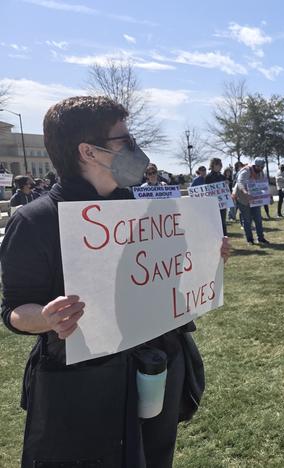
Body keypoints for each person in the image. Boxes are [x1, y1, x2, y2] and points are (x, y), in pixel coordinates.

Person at [0, 95, 230, 467]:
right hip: (83, 385)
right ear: (88, 152)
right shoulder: (35, 221)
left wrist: (206, 258)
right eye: (124, 140)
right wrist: (46, 317)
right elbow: (13, 310)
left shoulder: (144, 210)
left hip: (155, 367)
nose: (135, 148)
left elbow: (168, 274)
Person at [234, 157, 269, 245]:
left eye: (262, 167)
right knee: (247, 220)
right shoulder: (245, 171)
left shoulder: (261, 172)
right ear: (255, 165)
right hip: (243, 198)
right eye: (259, 167)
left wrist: (268, 196)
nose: (261, 169)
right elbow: (240, 183)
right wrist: (246, 193)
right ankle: (249, 240)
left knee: (258, 219)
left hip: (255, 199)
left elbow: (263, 186)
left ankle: (261, 238)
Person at [205, 157, 229, 236]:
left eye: (220, 164)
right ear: (213, 165)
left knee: (223, 222)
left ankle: (224, 239)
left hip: (222, 203)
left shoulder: (222, 177)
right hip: (213, 203)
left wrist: (226, 184)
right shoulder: (208, 177)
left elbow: (225, 190)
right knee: (215, 222)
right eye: (217, 164)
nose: (219, 166)